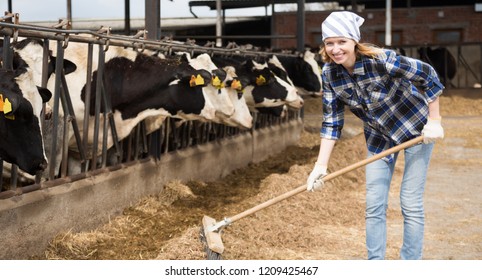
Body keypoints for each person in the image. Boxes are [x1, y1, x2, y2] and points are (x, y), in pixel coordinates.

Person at [306, 11, 445, 260]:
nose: (336, 49)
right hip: (378, 137)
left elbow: (428, 75)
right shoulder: (329, 74)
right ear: (324, 46)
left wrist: (434, 120)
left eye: (342, 42)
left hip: (417, 130)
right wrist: (320, 165)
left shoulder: (382, 60)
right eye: (330, 43)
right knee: (374, 206)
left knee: (410, 203)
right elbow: (331, 121)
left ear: (354, 42)